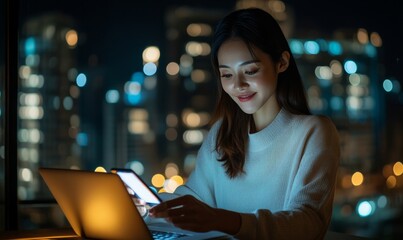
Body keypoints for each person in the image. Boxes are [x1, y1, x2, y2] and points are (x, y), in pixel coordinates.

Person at [149, 7, 340, 240]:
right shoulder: (221, 132)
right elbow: (192, 199)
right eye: (227, 75)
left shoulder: (313, 132)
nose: (238, 85)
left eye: (250, 70)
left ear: (281, 62)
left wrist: (225, 220)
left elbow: (308, 223)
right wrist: (142, 202)